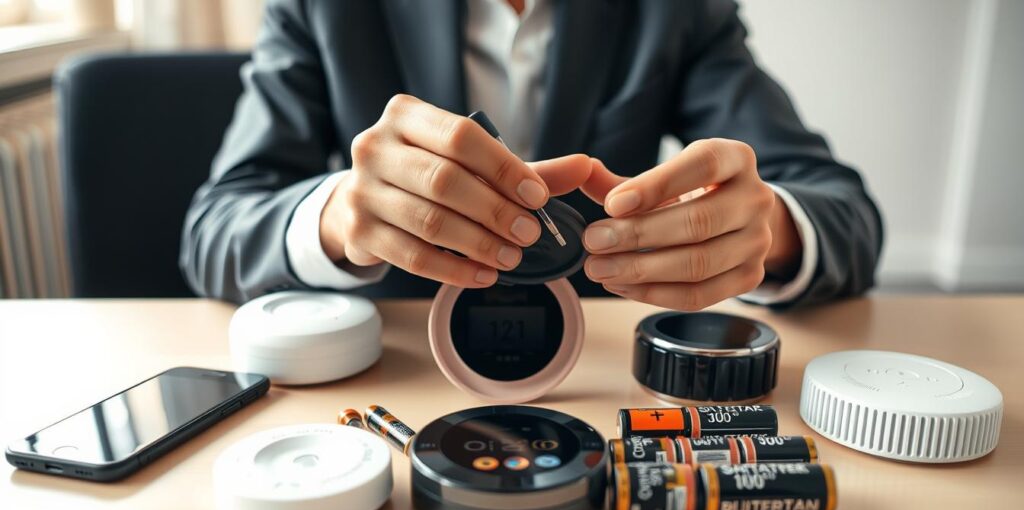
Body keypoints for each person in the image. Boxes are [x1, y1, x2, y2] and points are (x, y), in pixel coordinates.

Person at [180, 0, 883, 311]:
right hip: (401, 377)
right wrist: (340, 217)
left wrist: (766, 230)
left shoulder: (677, 10)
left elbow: (844, 210)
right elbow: (215, 229)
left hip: (603, 387)